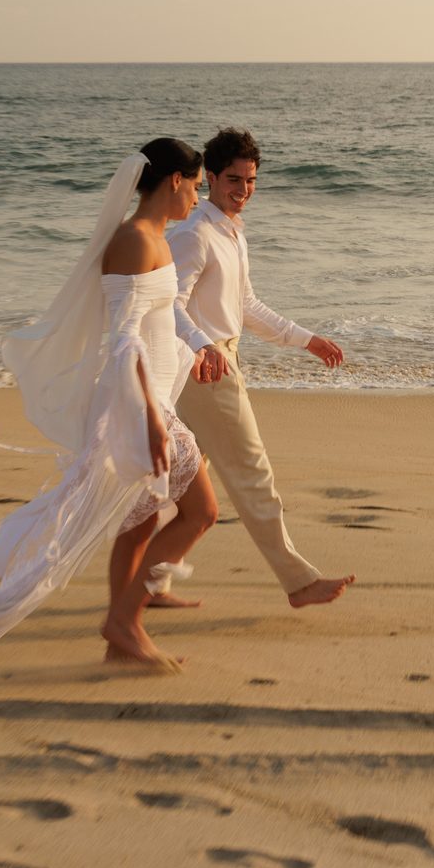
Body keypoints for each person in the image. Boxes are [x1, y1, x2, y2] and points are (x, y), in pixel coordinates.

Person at [0, 139, 220, 689]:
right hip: (135, 399)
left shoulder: (156, 240)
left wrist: (196, 351)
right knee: (201, 511)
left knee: (141, 517)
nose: (199, 197)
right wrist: (149, 415)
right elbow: (124, 342)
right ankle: (121, 622)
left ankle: (123, 634)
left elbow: (163, 316)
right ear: (174, 180)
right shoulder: (131, 242)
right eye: (196, 186)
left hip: (156, 396)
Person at [158, 127, 355, 610]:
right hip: (206, 371)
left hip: (217, 359)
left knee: (182, 493)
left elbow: (246, 305)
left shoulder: (231, 233)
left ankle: (146, 585)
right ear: (209, 178)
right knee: (252, 473)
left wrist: (306, 339)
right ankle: (298, 581)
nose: (242, 190)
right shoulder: (194, 235)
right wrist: (205, 348)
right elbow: (168, 305)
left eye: (250, 181)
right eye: (233, 180)